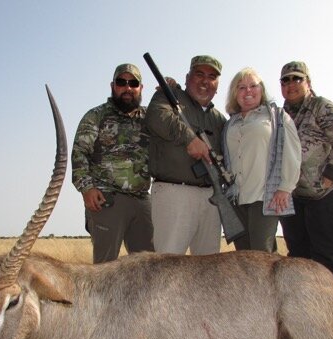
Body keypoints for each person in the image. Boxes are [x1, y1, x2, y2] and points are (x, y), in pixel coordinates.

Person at [278, 61, 333, 283]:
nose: (291, 84)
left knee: (327, 258)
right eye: (286, 80)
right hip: (297, 197)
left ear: (308, 83)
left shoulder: (322, 107)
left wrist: (330, 174)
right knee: (300, 259)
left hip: (328, 194)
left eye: (297, 78)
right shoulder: (280, 116)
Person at [71, 63, 154, 263]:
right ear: (112, 85)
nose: (127, 88)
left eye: (133, 83)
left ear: (141, 88)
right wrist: (86, 188)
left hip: (142, 201)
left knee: (149, 268)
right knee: (104, 268)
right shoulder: (95, 116)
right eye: (121, 82)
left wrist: (171, 91)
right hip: (106, 200)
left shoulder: (150, 117)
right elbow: (79, 153)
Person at [144, 55, 227, 255]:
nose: (205, 81)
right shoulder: (168, 96)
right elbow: (156, 117)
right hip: (174, 193)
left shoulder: (220, 119)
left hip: (211, 198)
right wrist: (190, 139)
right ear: (187, 77)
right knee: (167, 268)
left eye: (212, 77)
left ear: (217, 84)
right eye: (199, 74)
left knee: (208, 268)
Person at [222, 68, 301, 253]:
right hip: (236, 199)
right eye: (241, 87)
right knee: (243, 258)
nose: (248, 91)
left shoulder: (277, 117)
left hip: (264, 197)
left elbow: (293, 153)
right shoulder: (229, 124)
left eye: (253, 86)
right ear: (235, 93)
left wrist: (285, 187)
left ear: (261, 89)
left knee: (261, 256)